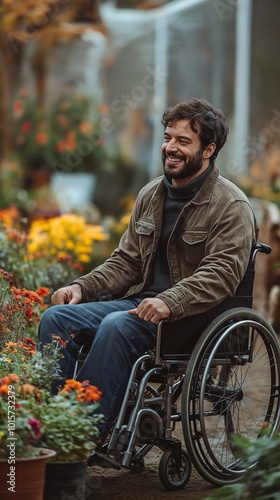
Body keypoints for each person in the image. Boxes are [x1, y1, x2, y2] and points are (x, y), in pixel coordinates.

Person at [38, 97, 258, 446]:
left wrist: (170, 301)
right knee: (57, 317)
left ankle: (80, 436)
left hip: (190, 318)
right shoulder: (151, 194)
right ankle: (45, 427)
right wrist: (82, 288)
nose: (170, 147)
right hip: (141, 306)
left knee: (116, 325)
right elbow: (126, 262)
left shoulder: (230, 206)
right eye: (168, 137)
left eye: (183, 141)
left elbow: (222, 273)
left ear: (208, 149)